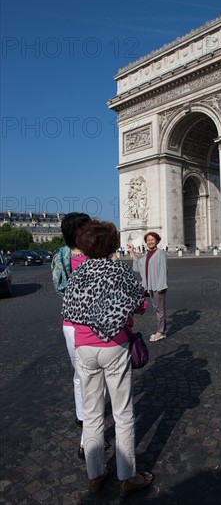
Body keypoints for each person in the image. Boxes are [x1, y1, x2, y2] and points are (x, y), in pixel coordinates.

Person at [62, 220, 153, 496]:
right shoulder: (120, 271)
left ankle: (95, 473)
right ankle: (128, 476)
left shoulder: (78, 272)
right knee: (123, 413)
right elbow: (142, 305)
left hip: (84, 347)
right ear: (113, 244)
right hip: (115, 345)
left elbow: (68, 309)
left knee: (91, 414)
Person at [51, 212, 90, 459]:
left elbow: (60, 285)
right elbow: (59, 287)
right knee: (84, 373)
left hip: (72, 320)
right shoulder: (65, 256)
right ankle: (85, 418)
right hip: (79, 323)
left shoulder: (91, 255)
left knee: (82, 373)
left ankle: (83, 416)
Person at [130, 232, 168, 342]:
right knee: (157, 308)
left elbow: (163, 270)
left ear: (157, 241)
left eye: (152, 239)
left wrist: (161, 286)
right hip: (149, 285)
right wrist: (132, 252)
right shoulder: (148, 254)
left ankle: (160, 332)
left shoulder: (160, 253)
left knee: (159, 309)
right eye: (148, 240)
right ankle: (161, 329)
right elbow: (138, 265)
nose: (150, 242)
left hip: (157, 286)